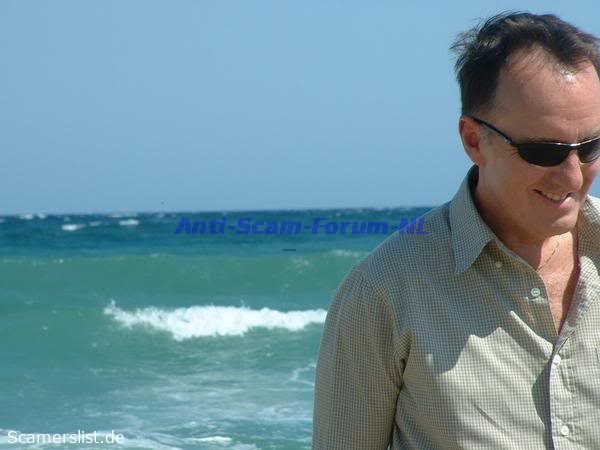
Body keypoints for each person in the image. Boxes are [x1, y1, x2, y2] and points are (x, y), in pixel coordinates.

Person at [313, 12, 600, 450]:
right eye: (544, 151)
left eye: (590, 147)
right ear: (473, 140)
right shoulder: (384, 290)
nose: (573, 176)